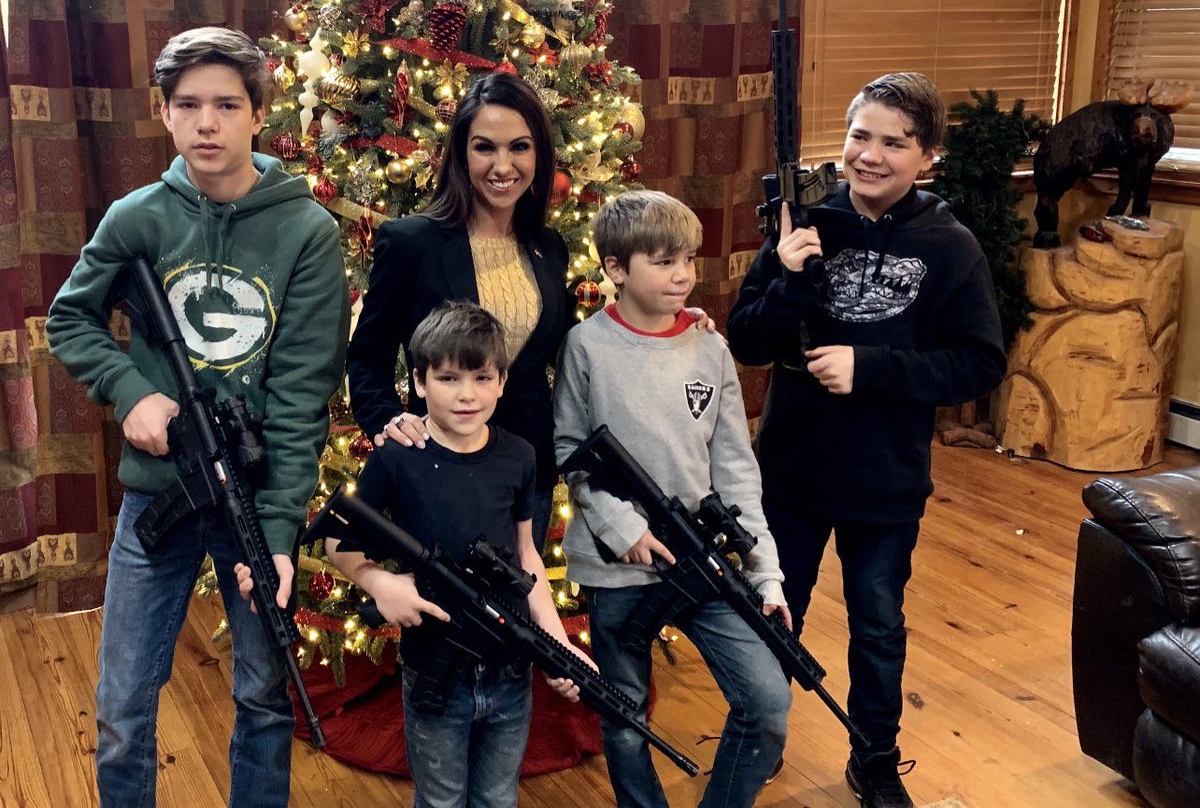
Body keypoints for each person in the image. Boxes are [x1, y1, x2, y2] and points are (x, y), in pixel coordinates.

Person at [46, 26, 351, 808]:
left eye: (227, 105)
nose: (206, 123)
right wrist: (130, 390)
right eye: (187, 105)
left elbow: (300, 396)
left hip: (254, 495)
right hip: (161, 491)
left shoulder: (307, 232)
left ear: (259, 113)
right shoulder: (138, 217)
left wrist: (276, 536)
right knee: (122, 706)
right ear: (164, 112)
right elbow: (70, 318)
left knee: (262, 696)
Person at [726, 72, 1007, 808]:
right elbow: (747, 339)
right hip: (791, 471)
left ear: (928, 157)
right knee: (775, 611)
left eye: (895, 143)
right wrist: (788, 277)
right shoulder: (802, 219)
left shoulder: (951, 248)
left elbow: (979, 363)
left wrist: (872, 368)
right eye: (860, 136)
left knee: (878, 625)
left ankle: (875, 758)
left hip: (885, 480)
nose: (870, 155)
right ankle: (759, 736)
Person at [554, 190, 794, 808]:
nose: (683, 274)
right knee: (626, 716)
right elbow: (571, 451)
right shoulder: (587, 346)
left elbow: (736, 468)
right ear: (615, 268)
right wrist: (623, 529)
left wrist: (766, 574)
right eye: (663, 262)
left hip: (703, 560)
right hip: (618, 569)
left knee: (768, 701)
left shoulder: (710, 347)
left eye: (687, 259)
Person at [321, 301, 595, 808]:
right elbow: (338, 541)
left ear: (502, 382)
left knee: (497, 798)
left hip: (510, 673)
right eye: (448, 378)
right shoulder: (398, 457)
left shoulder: (519, 456)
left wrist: (557, 643)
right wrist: (380, 583)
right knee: (440, 801)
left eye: (481, 377)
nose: (467, 394)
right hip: (434, 672)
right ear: (419, 382)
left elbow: (526, 556)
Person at [347, 73, 567, 550]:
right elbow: (367, 357)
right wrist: (387, 421)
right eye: (485, 147)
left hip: (527, 476)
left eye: (520, 147)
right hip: (438, 470)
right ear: (462, 155)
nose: (503, 165)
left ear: (539, 155)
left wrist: (666, 323)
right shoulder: (412, 242)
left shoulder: (549, 247)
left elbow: (564, 351)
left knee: (523, 594)